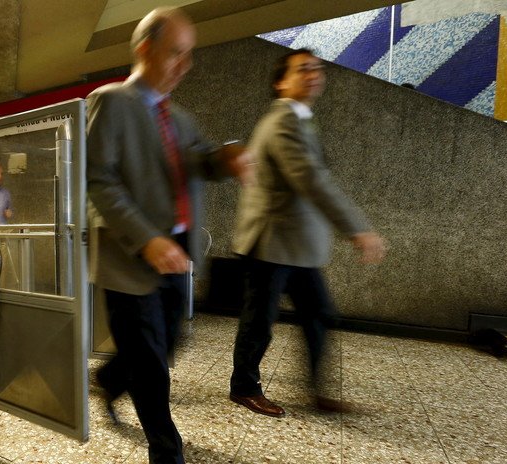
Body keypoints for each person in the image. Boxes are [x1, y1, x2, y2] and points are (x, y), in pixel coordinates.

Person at [86, 7, 250, 463]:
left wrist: (227, 159)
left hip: (177, 254)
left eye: (189, 55)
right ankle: (166, 450)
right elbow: (98, 179)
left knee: (169, 343)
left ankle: (112, 379)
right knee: (153, 364)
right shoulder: (111, 101)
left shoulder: (180, 118)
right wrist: (146, 239)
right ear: (145, 49)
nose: (185, 65)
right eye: (175, 53)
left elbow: (200, 159)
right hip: (130, 258)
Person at [228, 48, 386, 418]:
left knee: (318, 315)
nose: (314, 75)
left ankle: (319, 393)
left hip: (297, 245)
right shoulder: (282, 121)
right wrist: (357, 229)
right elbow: (311, 181)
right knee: (259, 323)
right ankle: (243, 388)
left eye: (317, 69)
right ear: (281, 81)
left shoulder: (302, 119)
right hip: (270, 243)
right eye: (303, 70)